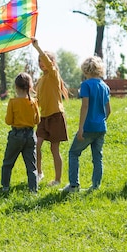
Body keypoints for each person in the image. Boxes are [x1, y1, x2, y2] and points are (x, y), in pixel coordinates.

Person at [61, 56, 111, 193]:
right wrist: (101, 120)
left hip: (88, 127)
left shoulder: (86, 85)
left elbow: (85, 106)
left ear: (85, 70)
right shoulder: (105, 86)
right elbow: (109, 110)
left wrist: (81, 127)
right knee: (97, 157)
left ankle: (74, 186)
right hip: (101, 128)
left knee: (73, 153)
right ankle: (95, 186)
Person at [31, 37, 70, 187]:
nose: (41, 63)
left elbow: (48, 63)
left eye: (43, 60)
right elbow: (38, 100)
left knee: (54, 149)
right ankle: (39, 173)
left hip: (55, 116)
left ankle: (58, 179)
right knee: (36, 146)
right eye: (39, 61)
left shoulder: (54, 75)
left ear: (51, 62)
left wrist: (38, 48)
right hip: (44, 118)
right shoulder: (40, 80)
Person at [0, 73, 40, 193]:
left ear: (16, 87)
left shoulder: (13, 102)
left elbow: (8, 121)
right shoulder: (34, 102)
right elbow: (37, 120)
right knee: (31, 165)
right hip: (30, 136)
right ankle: (33, 190)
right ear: (30, 87)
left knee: (8, 162)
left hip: (16, 135)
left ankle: (5, 187)